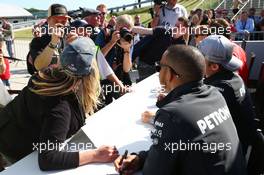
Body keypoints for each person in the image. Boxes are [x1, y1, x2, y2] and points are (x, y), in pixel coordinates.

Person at [115, 45, 247, 175]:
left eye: (159, 67)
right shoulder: (215, 94)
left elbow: (154, 171)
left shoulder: (172, 115)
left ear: (170, 73)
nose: (158, 72)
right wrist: (142, 158)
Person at [0, 37, 119, 170]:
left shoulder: (46, 74)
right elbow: (48, 159)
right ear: (91, 73)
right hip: (15, 146)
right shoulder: (60, 107)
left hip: (8, 127)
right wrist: (96, 154)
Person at [198, 35, 264, 174]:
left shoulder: (220, 90)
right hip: (246, 143)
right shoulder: (233, 77)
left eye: (200, 57)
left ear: (214, 66)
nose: (196, 60)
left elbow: (198, 124)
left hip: (237, 156)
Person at [132, 17, 188, 81]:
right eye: (175, 25)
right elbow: (144, 30)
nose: (175, 28)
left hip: (162, 68)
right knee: (145, 85)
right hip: (146, 63)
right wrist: (129, 28)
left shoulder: (182, 43)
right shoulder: (164, 30)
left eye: (178, 27)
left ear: (184, 30)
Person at [29, 4, 71, 72]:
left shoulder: (69, 38)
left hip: (66, 80)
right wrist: (53, 42)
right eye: (56, 20)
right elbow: (39, 66)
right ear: (48, 20)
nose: (60, 24)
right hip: (47, 81)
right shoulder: (38, 41)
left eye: (63, 21)